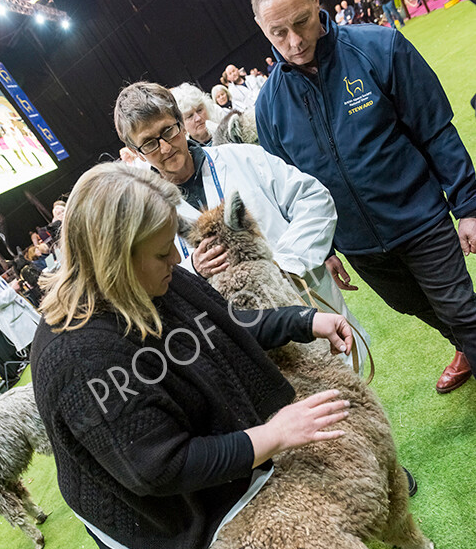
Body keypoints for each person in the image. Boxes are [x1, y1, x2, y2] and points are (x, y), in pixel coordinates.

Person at [31, 161, 353, 549]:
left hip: (207, 466)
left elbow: (223, 324)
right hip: (150, 516)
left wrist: (303, 321)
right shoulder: (81, 355)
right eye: (161, 253)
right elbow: (159, 466)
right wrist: (274, 434)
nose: (177, 262)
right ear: (113, 254)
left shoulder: (157, 278)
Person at [252, 0, 476, 394]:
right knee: (415, 306)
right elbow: (294, 189)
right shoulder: (268, 107)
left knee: (460, 309)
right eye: (279, 32)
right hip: (360, 245)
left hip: (421, 218)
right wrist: (327, 248)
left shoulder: (380, 47)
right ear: (261, 25)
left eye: (301, 22)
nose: (295, 41)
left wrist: (468, 205)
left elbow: (435, 130)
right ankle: (464, 345)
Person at [114, 81, 370, 373]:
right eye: (149, 142)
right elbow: (147, 281)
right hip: (241, 336)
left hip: (305, 301)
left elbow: (313, 199)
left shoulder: (242, 158)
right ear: (135, 151)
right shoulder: (144, 216)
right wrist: (193, 268)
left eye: (168, 130)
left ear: (181, 124)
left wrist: (287, 264)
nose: (164, 147)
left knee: (351, 392)